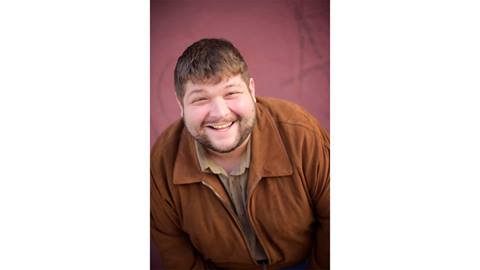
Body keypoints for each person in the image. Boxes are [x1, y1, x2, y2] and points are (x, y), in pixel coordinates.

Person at [150, 38, 330, 270]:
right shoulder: (162, 162)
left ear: (251, 91)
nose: (220, 113)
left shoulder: (301, 133)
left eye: (231, 93)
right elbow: (178, 257)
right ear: (181, 105)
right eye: (201, 99)